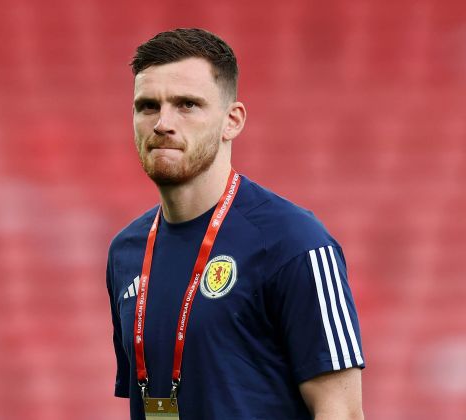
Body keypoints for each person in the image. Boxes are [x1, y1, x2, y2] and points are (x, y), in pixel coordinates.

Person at [106, 28, 365, 420]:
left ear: (232, 120)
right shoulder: (126, 251)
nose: (162, 123)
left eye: (187, 104)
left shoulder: (295, 243)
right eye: (147, 106)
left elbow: (341, 412)